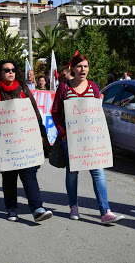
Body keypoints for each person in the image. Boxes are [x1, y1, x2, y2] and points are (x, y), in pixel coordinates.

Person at [51, 54, 125, 224]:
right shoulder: (64, 87)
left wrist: (99, 103)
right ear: (73, 69)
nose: (82, 70)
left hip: (91, 139)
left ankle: (105, 211)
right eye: (79, 66)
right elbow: (55, 111)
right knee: (72, 172)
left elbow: (96, 113)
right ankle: (73, 206)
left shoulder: (93, 87)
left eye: (85, 66)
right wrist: (63, 132)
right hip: (70, 139)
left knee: (98, 172)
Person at [0, 59, 53, 222]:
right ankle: (11, 208)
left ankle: (37, 209)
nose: (10, 72)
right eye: (6, 70)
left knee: (29, 174)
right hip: (4, 143)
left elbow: (36, 115)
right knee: (9, 176)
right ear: (0, 73)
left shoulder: (24, 90)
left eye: (13, 69)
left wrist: (42, 135)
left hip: (25, 141)